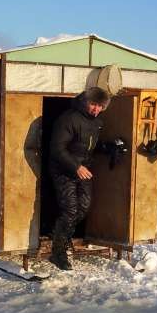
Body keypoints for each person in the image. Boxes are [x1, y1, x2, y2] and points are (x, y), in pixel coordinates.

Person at [48, 86, 112, 270]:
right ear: (85, 101)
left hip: (84, 170)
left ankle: (63, 235)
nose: (96, 109)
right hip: (63, 169)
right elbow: (57, 148)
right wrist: (75, 166)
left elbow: (89, 147)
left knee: (83, 207)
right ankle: (57, 252)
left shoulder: (97, 122)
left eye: (100, 106)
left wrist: (109, 148)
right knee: (70, 210)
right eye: (93, 104)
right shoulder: (69, 119)